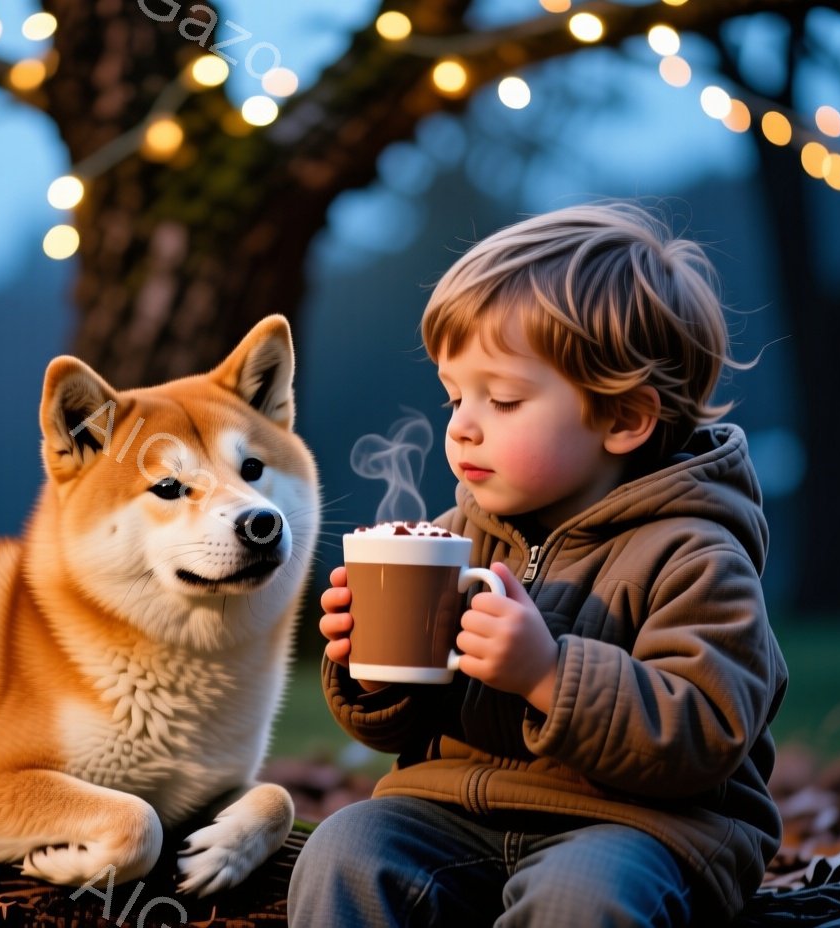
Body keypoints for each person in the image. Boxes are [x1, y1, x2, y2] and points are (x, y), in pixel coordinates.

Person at [288, 200, 788, 927]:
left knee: (581, 896)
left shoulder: (695, 553)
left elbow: (705, 732)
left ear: (623, 418)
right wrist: (371, 674)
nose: (462, 424)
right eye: (454, 395)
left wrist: (548, 674)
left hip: (640, 831)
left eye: (504, 398)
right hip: (458, 812)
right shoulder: (458, 535)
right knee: (347, 848)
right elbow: (401, 730)